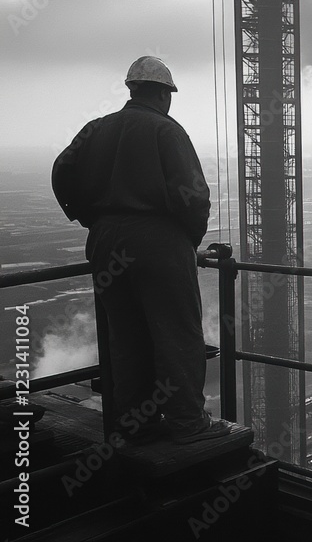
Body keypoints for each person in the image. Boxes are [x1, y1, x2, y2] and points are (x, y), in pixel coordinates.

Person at [52, 56, 231, 445]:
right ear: (165, 94)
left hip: (105, 240)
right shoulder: (166, 131)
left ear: (132, 89)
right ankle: (188, 423)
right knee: (177, 333)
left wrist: (88, 219)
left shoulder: (96, 128)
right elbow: (193, 195)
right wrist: (188, 240)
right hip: (158, 241)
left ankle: (135, 423)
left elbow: (62, 170)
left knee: (126, 335)